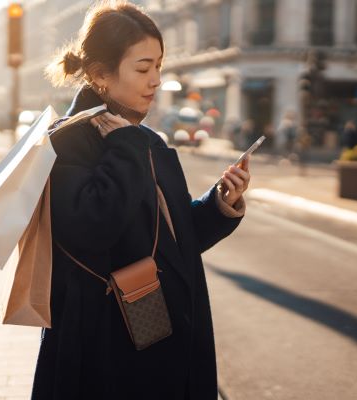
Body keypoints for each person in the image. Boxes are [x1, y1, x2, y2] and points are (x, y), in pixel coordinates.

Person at [31, 2, 250, 399]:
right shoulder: (68, 141)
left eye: (159, 67)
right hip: (107, 351)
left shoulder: (147, 140)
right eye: (143, 68)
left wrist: (219, 204)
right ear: (100, 74)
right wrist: (125, 145)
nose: (155, 81)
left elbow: (175, 239)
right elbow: (92, 227)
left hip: (166, 336)